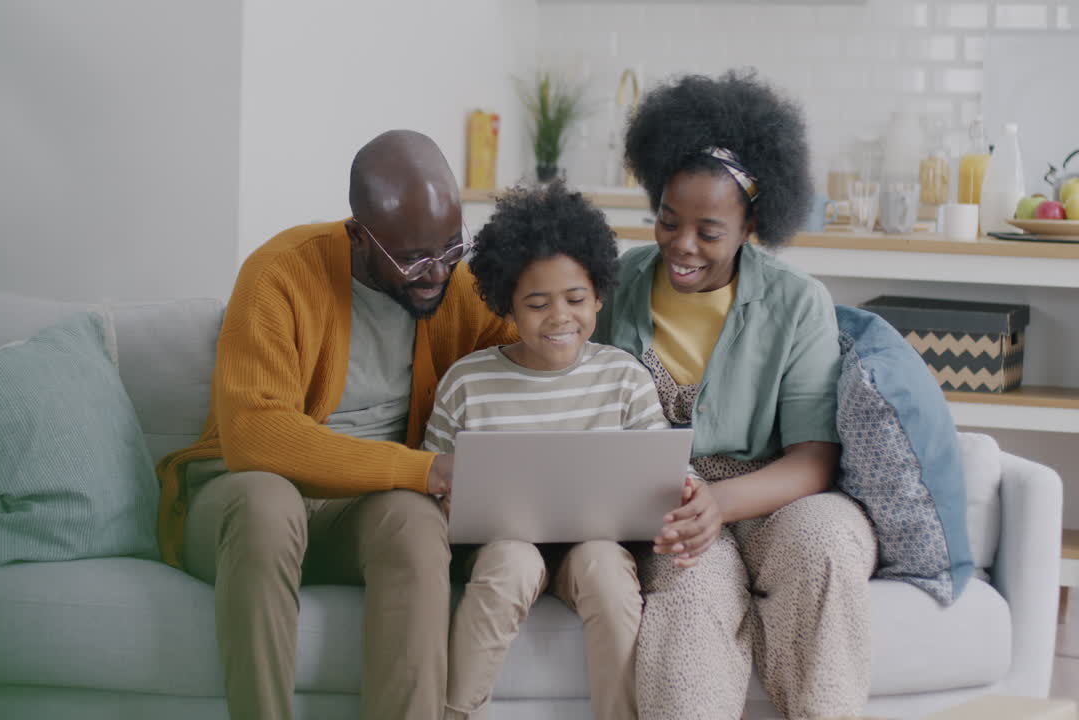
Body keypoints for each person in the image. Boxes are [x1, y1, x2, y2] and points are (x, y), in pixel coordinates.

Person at [155, 129, 517, 720]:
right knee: (271, 504)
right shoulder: (280, 273)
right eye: (412, 257)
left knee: (414, 523)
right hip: (240, 503)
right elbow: (255, 436)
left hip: (360, 514)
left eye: (451, 248)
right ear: (358, 236)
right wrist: (426, 469)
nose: (436, 275)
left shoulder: (456, 283)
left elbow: (534, 357)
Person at [596, 71, 878, 720]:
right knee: (690, 599)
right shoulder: (620, 283)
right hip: (669, 504)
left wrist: (722, 502)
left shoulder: (797, 301)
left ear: (751, 223)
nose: (681, 246)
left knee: (827, 544)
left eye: (708, 231)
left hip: (776, 492)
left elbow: (814, 458)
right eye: (668, 221)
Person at [424, 181, 670, 720]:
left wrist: (681, 490)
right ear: (506, 302)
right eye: (537, 304)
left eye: (576, 300)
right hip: (501, 548)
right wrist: (446, 499)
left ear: (600, 295)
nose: (560, 317)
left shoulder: (624, 378)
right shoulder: (469, 382)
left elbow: (659, 474)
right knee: (512, 561)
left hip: (595, 546)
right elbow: (433, 476)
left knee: (606, 569)